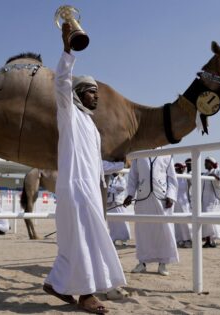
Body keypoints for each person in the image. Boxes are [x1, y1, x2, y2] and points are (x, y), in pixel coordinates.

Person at [43, 23, 126, 314]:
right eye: (91, 92)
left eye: (97, 92)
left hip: (88, 189)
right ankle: (86, 296)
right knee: (84, 241)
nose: (96, 96)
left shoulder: (90, 126)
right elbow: (61, 82)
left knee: (75, 241)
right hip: (75, 189)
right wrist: (67, 48)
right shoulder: (68, 112)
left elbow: (94, 163)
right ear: (77, 94)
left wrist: (119, 163)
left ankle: (55, 283)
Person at [123, 154, 179, 276]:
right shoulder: (139, 155)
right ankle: (142, 262)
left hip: (162, 198)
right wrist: (130, 194)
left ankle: (163, 263)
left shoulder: (167, 154)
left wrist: (171, 195)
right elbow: (133, 177)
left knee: (164, 230)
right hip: (143, 198)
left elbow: (172, 179)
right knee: (143, 230)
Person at [202, 156, 220, 248]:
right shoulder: (204, 174)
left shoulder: (219, 171)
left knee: (212, 220)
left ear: (210, 163)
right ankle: (208, 240)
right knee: (205, 220)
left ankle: (213, 241)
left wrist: (215, 177)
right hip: (204, 200)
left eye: (206, 162)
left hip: (214, 200)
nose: (204, 164)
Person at [106, 172, 131, 246]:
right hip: (110, 202)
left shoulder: (122, 179)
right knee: (112, 222)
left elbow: (122, 187)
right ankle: (113, 238)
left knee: (122, 221)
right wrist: (113, 188)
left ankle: (124, 239)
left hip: (119, 202)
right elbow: (106, 187)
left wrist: (111, 187)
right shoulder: (107, 177)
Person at [173, 163, 192, 248]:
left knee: (185, 222)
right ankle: (179, 240)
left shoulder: (187, 176)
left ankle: (188, 240)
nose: (179, 169)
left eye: (181, 168)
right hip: (175, 202)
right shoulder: (174, 176)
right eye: (177, 168)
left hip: (184, 202)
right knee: (176, 222)